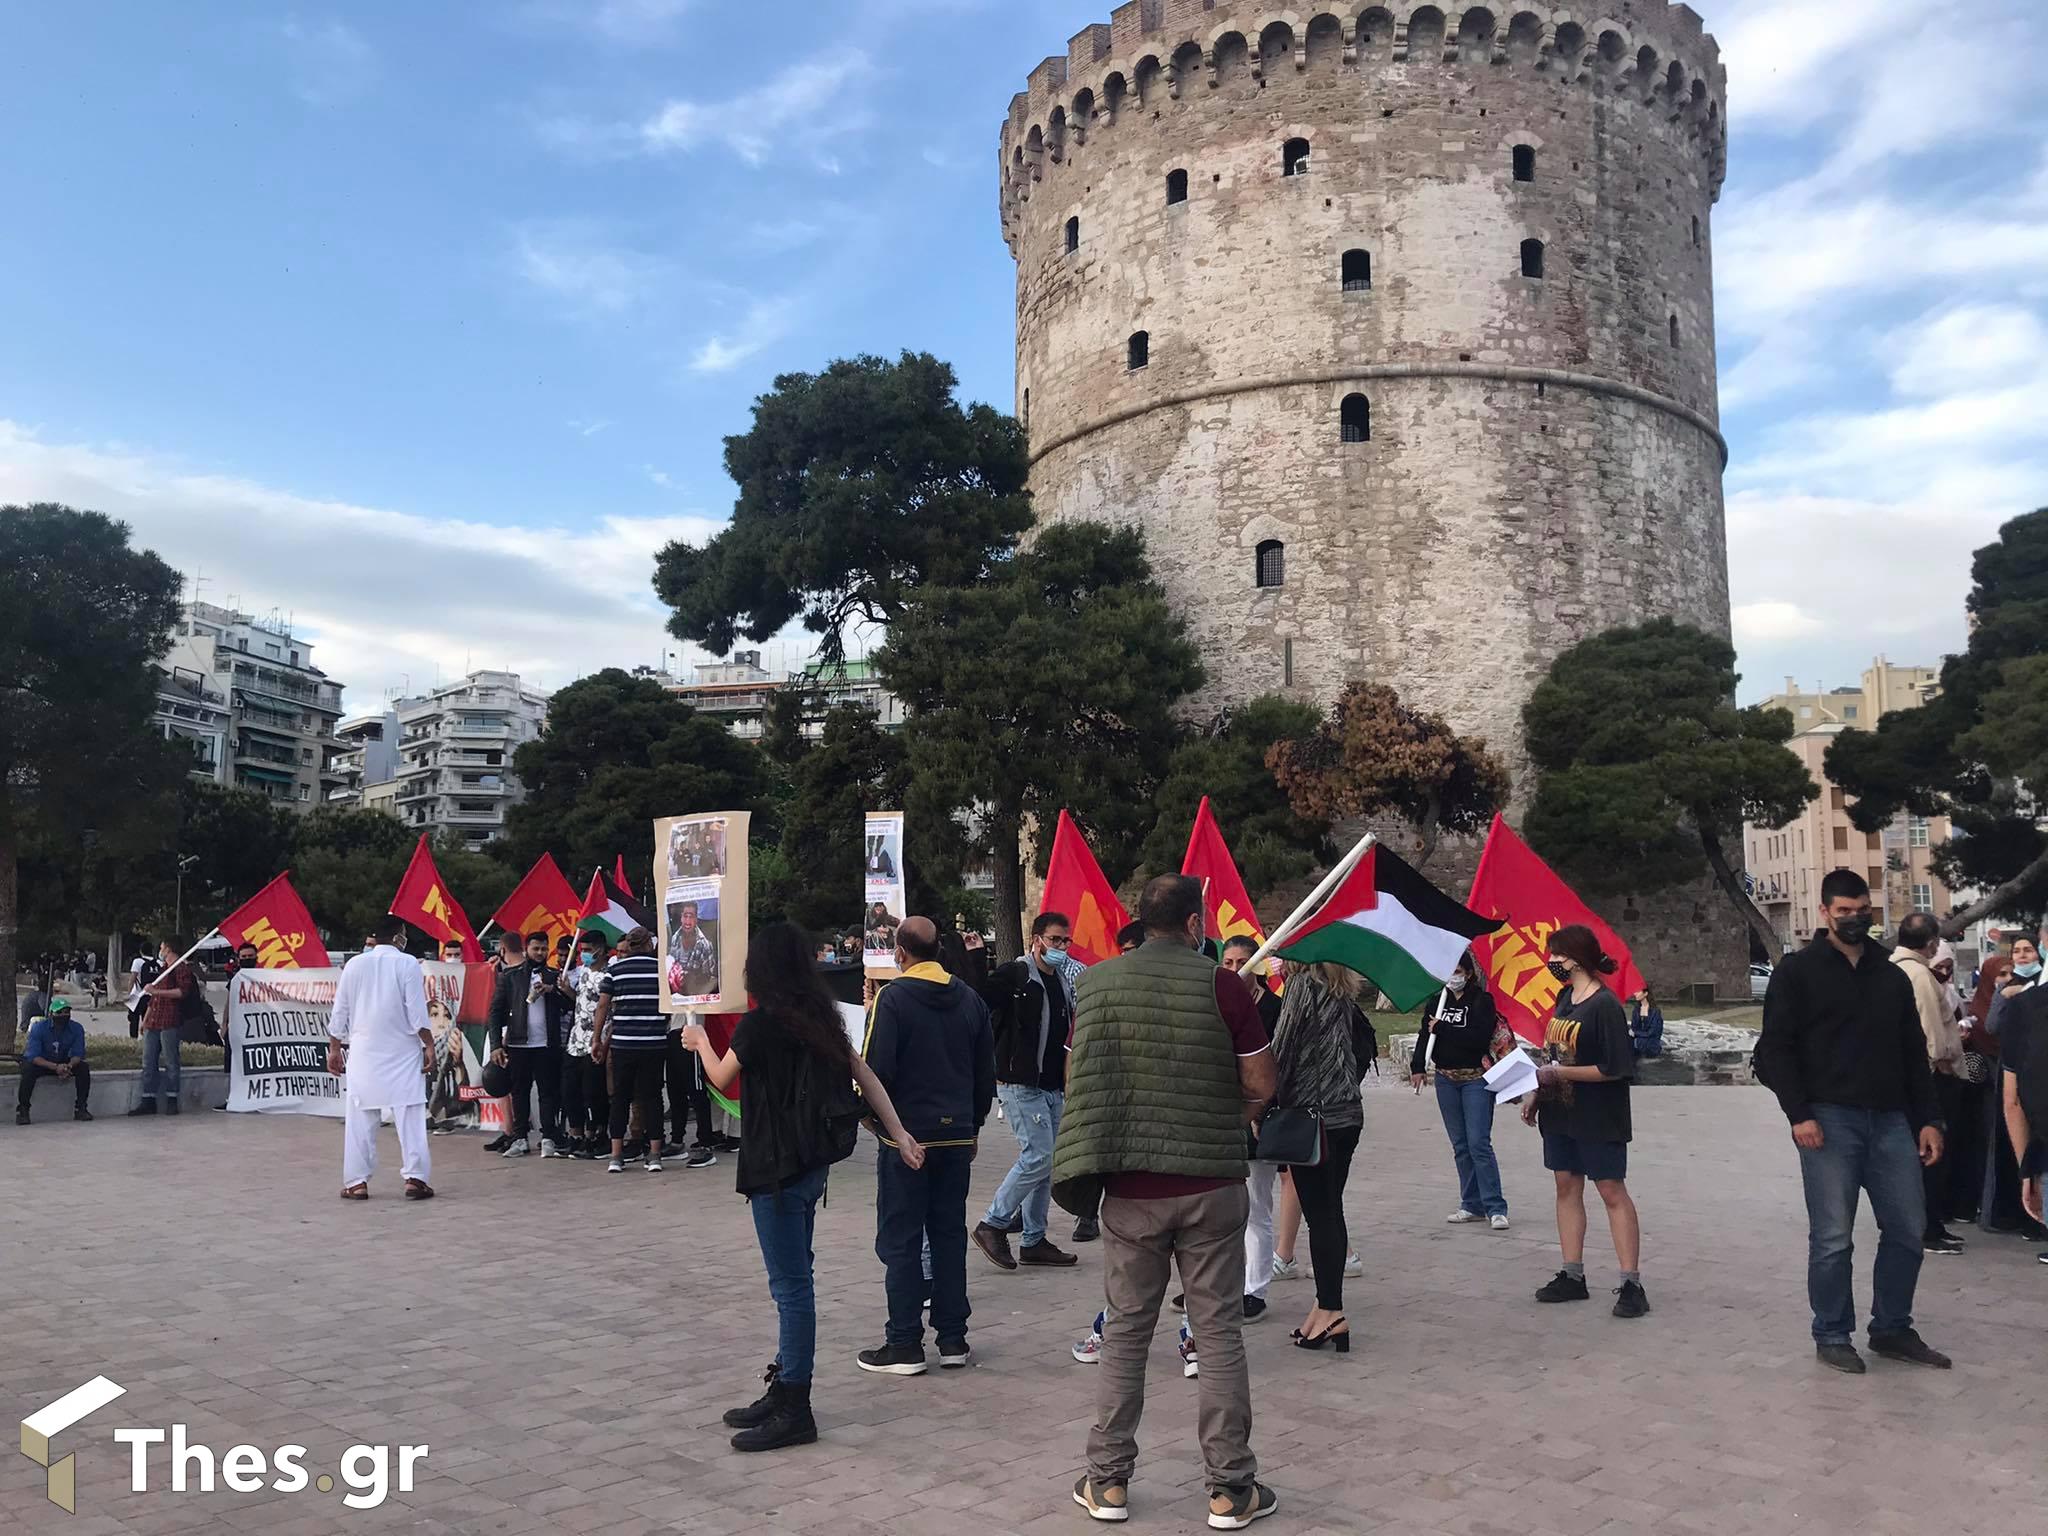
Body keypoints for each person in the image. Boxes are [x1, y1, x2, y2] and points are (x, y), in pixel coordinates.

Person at [1051, 874, 1279, 1531]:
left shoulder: (1094, 985)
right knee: (1218, 1335)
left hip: (1128, 1189)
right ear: (1192, 924)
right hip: (1211, 1184)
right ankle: (1231, 1489)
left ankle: (1108, 1482)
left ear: (1140, 923)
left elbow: (1077, 1078)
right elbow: (1262, 1079)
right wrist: (1231, 1112)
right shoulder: (1224, 985)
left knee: (1124, 1331)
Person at [680, 921, 925, 1453]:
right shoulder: (820, 1019)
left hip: (775, 1168)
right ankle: (786, 1383)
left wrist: (699, 1040)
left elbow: (722, 1078)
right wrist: (900, 1133)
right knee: (797, 1278)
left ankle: (796, 1406)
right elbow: (865, 1073)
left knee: (791, 1289)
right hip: (812, 1166)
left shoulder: (759, 1025)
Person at [1753, 869, 1951, 1373]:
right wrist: (1799, 1114)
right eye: (1844, 911)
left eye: (1863, 910)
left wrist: (1928, 1119)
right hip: (1828, 1120)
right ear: (1825, 913)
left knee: (1908, 1229)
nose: (1855, 919)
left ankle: (1891, 1328)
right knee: (1833, 1237)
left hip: (1891, 1121)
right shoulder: (1798, 971)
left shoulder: (1890, 973)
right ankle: (1832, 1332)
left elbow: (1913, 1052)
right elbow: (1774, 1050)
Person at [857, 916, 997, 1375]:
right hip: (956, 1135)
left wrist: (875, 1122)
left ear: (900, 952)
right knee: (948, 1236)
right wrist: (973, 1126)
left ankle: (904, 1342)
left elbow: (875, 1070)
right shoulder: (970, 999)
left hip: (907, 1139)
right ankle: (953, 1339)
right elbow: (983, 1072)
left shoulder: (892, 999)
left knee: (901, 1240)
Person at [1523, 924, 1646, 1318]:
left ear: (1576, 958)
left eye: (1557, 955)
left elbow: (1615, 1068)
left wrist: (1561, 1074)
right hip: (1562, 1112)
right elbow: (1553, 1055)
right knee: (1565, 1186)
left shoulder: (1605, 1006)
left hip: (1598, 1115)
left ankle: (1631, 1283)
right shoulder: (1564, 998)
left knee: (1610, 1190)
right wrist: (1536, 1094)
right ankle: (1572, 1274)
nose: (1552, 961)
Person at [972, 911, 1081, 1272]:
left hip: (1051, 1085)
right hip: (1020, 1084)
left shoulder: (1063, 980)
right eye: (1054, 940)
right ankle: (993, 1223)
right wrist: (973, 958)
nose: (1061, 947)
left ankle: (1034, 1240)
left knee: (1047, 1163)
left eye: (1066, 941)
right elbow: (977, 999)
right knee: (1037, 1156)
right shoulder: (1015, 975)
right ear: (1036, 939)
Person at [1271, 961, 1367, 1350]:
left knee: (1322, 1213)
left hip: (1313, 1116)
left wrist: (1261, 1105)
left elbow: (1282, 1049)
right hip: (1346, 1114)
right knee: (1329, 1209)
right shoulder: (1340, 986)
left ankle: (1332, 1311)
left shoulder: (1303, 986)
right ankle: (1322, 1306)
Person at [326, 917, 436, 1200]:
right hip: (402, 1051)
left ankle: (356, 1182)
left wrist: (335, 1048)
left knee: (360, 1117)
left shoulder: (354, 965)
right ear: (399, 937)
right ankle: (415, 1178)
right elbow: (417, 1013)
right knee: (410, 1114)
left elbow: (340, 1011)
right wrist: (429, 1045)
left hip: (365, 1052)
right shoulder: (407, 963)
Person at [1410, 952, 1515, 1230]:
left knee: (1478, 1142)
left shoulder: (1482, 1001)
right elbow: (1426, 1034)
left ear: (1468, 973)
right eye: (1448, 971)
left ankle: (1495, 1206)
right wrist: (1417, 1065)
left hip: (1475, 1079)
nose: (1452, 977)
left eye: (1457, 971)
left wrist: (1444, 1028)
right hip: (1446, 1079)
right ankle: (1471, 1203)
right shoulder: (1438, 1001)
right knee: (1460, 1145)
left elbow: (1477, 1038)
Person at [1890, 912, 1968, 1255]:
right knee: (1933, 1153)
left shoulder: (1893, 968)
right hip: (1933, 1076)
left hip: (1908, 1076)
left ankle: (1926, 1223)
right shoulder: (1919, 975)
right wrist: (1945, 1064)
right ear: (1932, 942)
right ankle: (1928, 1228)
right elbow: (1931, 1032)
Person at [1221, 937, 1284, 1314]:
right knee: (1222, 1209)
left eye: (1243, 961)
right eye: (1227, 962)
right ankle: (1224, 1283)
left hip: (1260, 1118)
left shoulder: (1273, 1009)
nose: (1234, 970)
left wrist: (1262, 1112)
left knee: (1255, 1206)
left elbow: (1274, 1068)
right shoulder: (1219, 1003)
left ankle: (1255, 1290)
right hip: (1224, 1117)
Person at [1983, 936, 2047, 1239]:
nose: (2023, 956)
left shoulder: (2027, 1006)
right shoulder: (2014, 1000)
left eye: (2029, 949)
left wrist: (2027, 1171)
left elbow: (2014, 1102)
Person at [487, 931, 571, 1158]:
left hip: (547, 1044)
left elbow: (569, 1005)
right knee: (519, 1091)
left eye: (544, 949)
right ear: (527, 950)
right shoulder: (510, 976)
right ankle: (520, 1137)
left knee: (548, 1092)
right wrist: (496, 1044)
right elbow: (495, 1012)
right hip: (518, 1043)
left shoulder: (555, 975)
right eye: (536, 949)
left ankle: (548, 1137)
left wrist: (553, 991)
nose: (541, 953)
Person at [594, 927, 669, 1173]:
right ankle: (655, 1155)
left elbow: (603, 1005)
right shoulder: (661, 969)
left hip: (623, 1044)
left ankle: (616, 1157)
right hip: (655, 1043)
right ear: (649, 944)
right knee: (652, 1099)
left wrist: (596, 1039)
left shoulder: (614, 970)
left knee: (619, 1099)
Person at [133, 937, 196, 1117]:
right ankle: (148, 1099)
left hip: (170, 1020)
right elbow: (154, 1000)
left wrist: (156, 991)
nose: (160, 950)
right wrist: (145, 1020)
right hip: (154, 1021)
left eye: (161, 946)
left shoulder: (181, 969)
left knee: (171, 1061)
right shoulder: (162, 969)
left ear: (168, 948)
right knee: (148, 1061)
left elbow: (181, 992)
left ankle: (172, 1099)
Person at [560, 935, 609, 1157]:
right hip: (575, 1041)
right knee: (571, 1091)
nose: (583, 954)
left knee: (593, 1093)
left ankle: (595, 1136)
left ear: (599, 949)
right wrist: (567, 990)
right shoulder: (583, 972)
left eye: (588, 949)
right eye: (581, 950)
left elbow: (609, 1011)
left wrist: (603, 1042)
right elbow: (580, 1000)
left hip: (595, 1042)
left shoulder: (609, 974)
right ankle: (576, 1135)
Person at [18, 997, 92, 1124]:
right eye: (60, 1012)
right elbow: (33, 1056)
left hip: (64, 1062)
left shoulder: (76, 1028)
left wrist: (68, 1066)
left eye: (67, 1012)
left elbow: (78, 1054)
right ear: (51, 1014)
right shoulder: (39, 1028)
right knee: (28, 1070)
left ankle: (81, 1108)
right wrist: (55, 1067)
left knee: (83, 1068)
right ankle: (23, 1111)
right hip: (43, 1062)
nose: (64, 1015)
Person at [424, 998, 471, 1133]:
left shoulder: (455, 1055)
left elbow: (465, 1099)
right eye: (434, 1015)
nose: (441, 1023)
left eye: (447, 1016)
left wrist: (458, 1065)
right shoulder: (421, 1053)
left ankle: (445, 1122)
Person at [126, 939, 160, 1039]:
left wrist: (129, 994)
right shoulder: (158, 963)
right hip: (151, 995)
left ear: (141, 951)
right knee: (148, 1020)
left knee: (133, 1020)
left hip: (137, 994)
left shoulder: (137, 961)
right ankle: (147, 1040)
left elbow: (132, 979)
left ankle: (133, 1039)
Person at [1628, 985, 1665, 1059]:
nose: (1635, 993)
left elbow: (1653, 1032)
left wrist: (1635, 1033)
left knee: (1635, 1043)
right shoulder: (1636, 1010)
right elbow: (1633, 1027)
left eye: (1638, 991)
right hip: (1638, 1041)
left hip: (1651, 1042)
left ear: (1645, 993)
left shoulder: (1655, 1011)